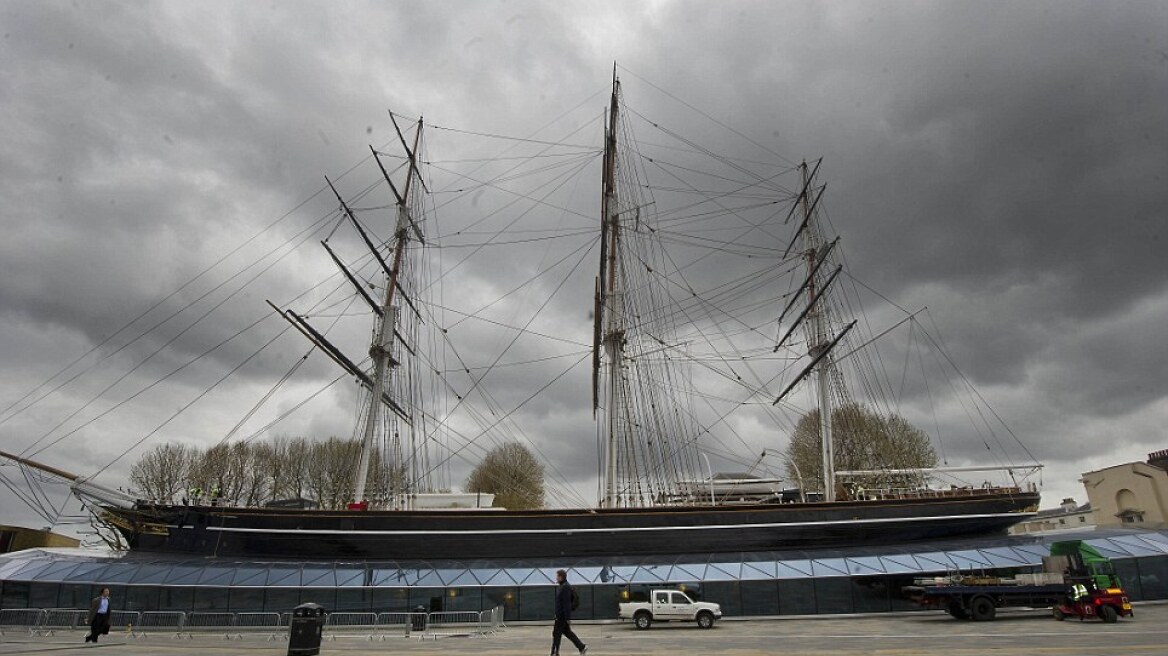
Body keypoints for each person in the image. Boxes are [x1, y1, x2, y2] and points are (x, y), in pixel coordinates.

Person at [551, 569, 586, 656]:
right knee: (567, 632)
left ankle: (554, 653)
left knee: (556, 634)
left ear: (561, 577)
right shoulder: (563, 586)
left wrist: (567, 618)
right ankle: (581, 647)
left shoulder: (565, 587)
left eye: (557, 576)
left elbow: (566, 604)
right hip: (561, 615)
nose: (556, 578)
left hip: (562, 616)